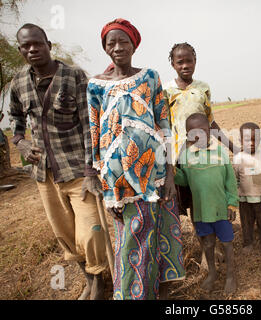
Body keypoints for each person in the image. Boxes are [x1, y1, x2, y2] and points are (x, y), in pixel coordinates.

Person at [87, 18, 184, 300]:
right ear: (105, 48)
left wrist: (169, 173)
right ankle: (133, 294)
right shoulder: (96, 85)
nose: (117, 47)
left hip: (152, 173)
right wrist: (105, 188)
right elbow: (95, 134)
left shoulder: (150, 77)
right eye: (111, 43)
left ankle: (158, 291)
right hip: (117, 180)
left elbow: (164, 125)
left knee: (155, 233)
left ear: (134, 44)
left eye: (123, 41)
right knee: (130, 238)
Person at [9, 23, 107, 300]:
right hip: (44, 174)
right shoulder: (17, 83)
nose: (32, 49)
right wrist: (22, 142)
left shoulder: (74, 76)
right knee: (63, 232)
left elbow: (90, 126)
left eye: (37, 44)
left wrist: (91, 171)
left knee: (91, 232)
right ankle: (88, 279)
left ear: (48, 45)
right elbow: (16, 125)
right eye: (26, 46)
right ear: (20, 50)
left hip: (77, 169)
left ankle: (99, 281)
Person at [163, 42, 238, 268]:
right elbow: (165, 125)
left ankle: (209, 251)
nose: (185, 65)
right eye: (180, 62)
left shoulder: (203, 88)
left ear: (195, 60)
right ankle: (197, 246)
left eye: (189, 60)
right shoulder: (166, 91)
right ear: (173, 64)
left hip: (202, 154)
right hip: (180, 158)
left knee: (201, 202)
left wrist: (232, 146)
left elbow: (210, 122)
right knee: (187, 203)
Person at [174, 113, 239, 294]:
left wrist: (232, 204)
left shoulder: (220, 152)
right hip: (201, 211)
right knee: (208, 243)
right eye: (192, 132)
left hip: (220, 210)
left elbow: (231, 182)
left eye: (202, 131)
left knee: (226, 243)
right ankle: (212, 273)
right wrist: (172, 171)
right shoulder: (186, 156)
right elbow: (184, 181)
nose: (198, 136)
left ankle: (230, 275)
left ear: (209, 131)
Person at [232, 122, 261, 259]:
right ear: (240, 140)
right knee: (246, 222)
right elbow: (235, 179)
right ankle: (248, 243)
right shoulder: (238, 158)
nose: (251, 143)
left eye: (254, 139)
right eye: (247, 140)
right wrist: (238, 194)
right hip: (244, 199)